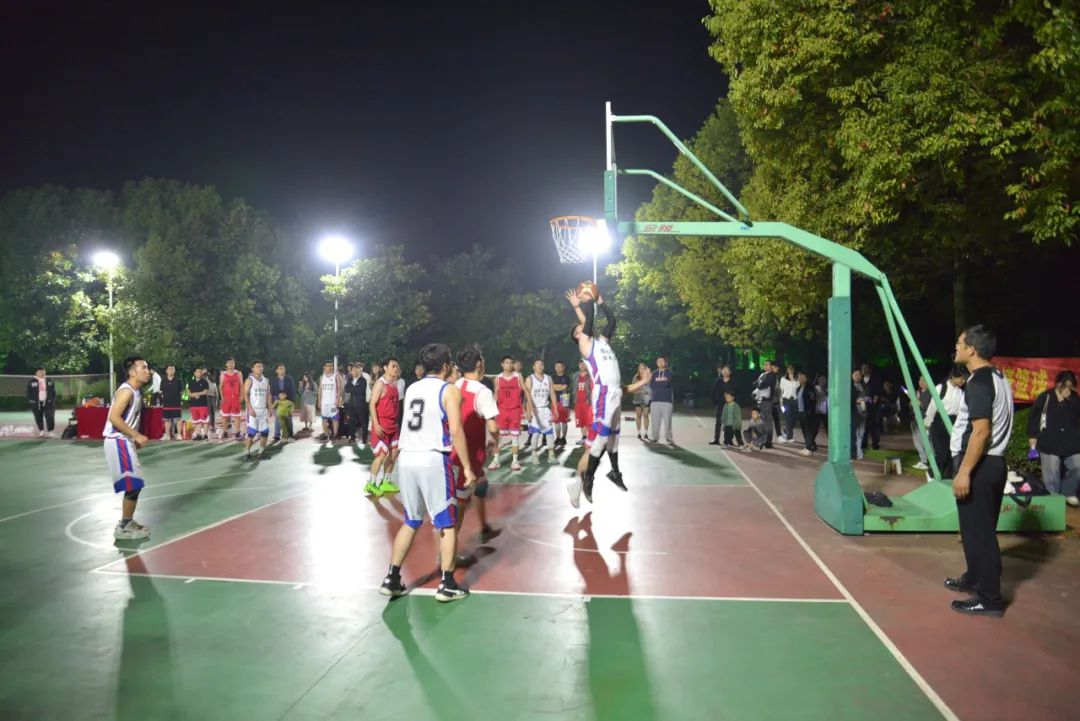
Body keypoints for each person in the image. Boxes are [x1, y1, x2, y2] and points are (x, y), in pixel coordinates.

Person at [380, 343, 475, 603]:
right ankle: (447, 584)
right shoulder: (449, 390)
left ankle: (392, 578)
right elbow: (456, 430)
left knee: (411, 520)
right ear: (446, 366)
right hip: (433, 459)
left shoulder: (412, 388)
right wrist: (467, 467)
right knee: (446, 523)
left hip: (407, 458)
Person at [945, 325, 1014, 617]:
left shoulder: (980, 381)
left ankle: (989, 599)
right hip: (990, 465)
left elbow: (981, 432)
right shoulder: (996, 376)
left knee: (980, 533)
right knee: (974, 530)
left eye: (960, 343)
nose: (956, 347)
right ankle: (974, 578)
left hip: (981, 465)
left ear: (972, 349)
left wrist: (964, 472)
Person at [565, 288, 627, 507]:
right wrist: (586, 301)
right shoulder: (585, 345)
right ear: (577, 336)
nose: (583, 327)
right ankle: (586, 480)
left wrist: (600, 301)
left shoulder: (601, 342)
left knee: (612, 439)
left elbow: (611, 321)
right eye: (579, 329)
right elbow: (588, 321)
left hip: (615, 393)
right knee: (597, 443)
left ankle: (613, 472)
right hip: (603, 394)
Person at [451, 345, 501, 550]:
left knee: (481, 483)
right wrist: (495, 441)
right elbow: (493, 426)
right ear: (479, 364)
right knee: (461, 505)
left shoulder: (456, 385)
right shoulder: (483, 392)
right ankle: (448, 551)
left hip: (453, 449)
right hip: (468, 455)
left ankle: (483, 527)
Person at [104, 356, 153, 539]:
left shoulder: (136, 392)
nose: (148, 371)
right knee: (133, 484)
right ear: (132, 372)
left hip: (124, 441)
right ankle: (124, 527)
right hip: (118, 440)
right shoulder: (127, 391)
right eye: (144, 368)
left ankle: (127, 522)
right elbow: (114, 417)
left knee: (134, 484)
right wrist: (136, 435)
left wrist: (133, 438)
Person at [1027, 370, 1080, 505]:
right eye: (1065, 385)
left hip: (1071, 442)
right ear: (1058, 383)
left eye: (1070, 386)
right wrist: (1032, 436)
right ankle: (1053, 499)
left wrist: (1070, 399)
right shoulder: (1046, 396)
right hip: (1049, 441)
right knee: (1052, 471)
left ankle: (1068, 492)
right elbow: (1034, 417)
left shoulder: (1075, 398)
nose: (1067, 389)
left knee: (1077, 466)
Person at [366, 358, 403, 497]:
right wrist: (375, 424)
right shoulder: (380, 384)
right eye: (393, 366)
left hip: (393, 424)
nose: (396, 368)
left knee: (394, 453)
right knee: (381, 455)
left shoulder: (395, 384)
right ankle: (371, 483)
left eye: (397, 366)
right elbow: (372, 404)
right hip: (382, 424)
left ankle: (386, 481)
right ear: (385, 368)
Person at [925, 366, 968, 480]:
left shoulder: (960, 392)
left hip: (953, 422)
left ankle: (947, 479)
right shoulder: (940, 388)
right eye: (961, 378)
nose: (963, 381)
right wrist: (927, 423)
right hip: (939, 422)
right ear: (953, 376)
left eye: (964, 379)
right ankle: (931, 473)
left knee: (951, 454)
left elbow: (960, 411)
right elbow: (932, 407)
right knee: (942, 453)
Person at [490, 356, 529, 471]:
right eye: (506, 363)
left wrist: (529, 406)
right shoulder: (498, 378)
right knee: (499, 437)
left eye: (511, 363)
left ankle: (515, 461)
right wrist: (491, 408)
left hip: (515, 410)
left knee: (515, 436)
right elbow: (496, 394)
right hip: (501, 411)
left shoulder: (518, 376)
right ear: (502, 364)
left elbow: (526, 391)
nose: (509, 365)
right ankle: (496, 460)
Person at [525, 359, 558, 461]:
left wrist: (555, 408)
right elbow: (527, 397)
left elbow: (552, 394)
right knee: (535, 433)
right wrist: (528, 411)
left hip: (545, 409)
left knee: (550, 432)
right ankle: (534, 454)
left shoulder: (548, 378)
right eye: (537, 364)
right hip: (535, 409)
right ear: (533, 367)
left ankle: (551, 455)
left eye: (542, 364)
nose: (540, 366)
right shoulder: (529, 379)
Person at [243, 360, 272, 460]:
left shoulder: (266, 380)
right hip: (253, 410)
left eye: (261, 366)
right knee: (251, 433)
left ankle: (261, 452)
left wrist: (270, 407)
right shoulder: (249, 380)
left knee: (265, 432)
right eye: (257, 366)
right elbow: (245, 395)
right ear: (252, 369)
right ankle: (247, 453)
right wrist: (250, 408)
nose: (260, 368)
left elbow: (268, 394)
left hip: (263, 410)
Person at [648, 355, 674, 445]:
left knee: (667, 421)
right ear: (656, 363)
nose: (660, 362)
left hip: (667, 400)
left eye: (662, 361)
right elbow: (652, 386)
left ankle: (669, 438)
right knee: (655, 421)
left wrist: (658, 382)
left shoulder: (669, 372)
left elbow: (667, 383)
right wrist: (661, 381)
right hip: (655, 400)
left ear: (665, 363)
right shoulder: (654, 373)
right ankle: (655, 437)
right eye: (658, 361)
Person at [709, 364, 737, 445]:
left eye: (727, 370)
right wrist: (716, 402)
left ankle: (728, 440)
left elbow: (736, 392)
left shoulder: (733, 382)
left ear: (730, 372)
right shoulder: (718, 381)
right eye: (724, 370)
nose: (725, 371)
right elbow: (713, 392)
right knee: (718, 422)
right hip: (720, 405)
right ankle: (716, 439)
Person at [753, 360, 778, 448]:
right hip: (760, 400)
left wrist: (760, 383)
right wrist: (759, 383)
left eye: (767, 364)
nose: (765, 366)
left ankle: (768, 441)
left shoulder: (772, 375)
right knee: (761, 420)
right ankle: (763, 440)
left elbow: (762, 385)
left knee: (767, 421)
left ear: (771, 366)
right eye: (764, 364)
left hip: (767, 401)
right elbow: (755, 384)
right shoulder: (762, 374)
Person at [316, 360, 343, 442]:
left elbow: (340, 388)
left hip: (333, 403)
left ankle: (335, 434)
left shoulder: (336, 376)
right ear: (324, 367)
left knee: (335, 419)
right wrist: (319, 401)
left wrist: (338, 399)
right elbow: (320, 390)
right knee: (324, 418)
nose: (330, 367)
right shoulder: (322, 377)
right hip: (324, 402)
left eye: (331, 365)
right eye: (328, 365)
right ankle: (325, 434)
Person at [910, 377, 933, 471]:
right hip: (915, 419)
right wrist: (912, 403)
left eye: (924, 380)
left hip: (925, 420)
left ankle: (930, 461)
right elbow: (912, 406)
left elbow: (929, 407)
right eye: (920, 380)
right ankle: (923, 460)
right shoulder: (918, 392)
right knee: (917, 441)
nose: (921, 382)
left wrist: (919, 402)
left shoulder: (931, 392)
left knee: (926, 441)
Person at [26, 367, 56, 438]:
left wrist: (52, 399)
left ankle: (50, 431)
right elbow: (28, 392)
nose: (42, 373)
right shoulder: (32, 381)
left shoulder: (49, 380)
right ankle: (41, 431)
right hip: (36, 403)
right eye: (40, 372)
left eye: (43, 372)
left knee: (50, 417)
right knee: (38, 417)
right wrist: (31, 400)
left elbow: (53, 391)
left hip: (48, 402)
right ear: (36, 373)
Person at [218, 357, 244, 440]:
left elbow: (241, 385)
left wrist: (241, 396)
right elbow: (220, 386)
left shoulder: (238, 373)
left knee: (237, 416)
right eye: (229, 363)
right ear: (226, 364)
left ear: (234, 364)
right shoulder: (223, 374)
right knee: (225, 416)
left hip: (236, 397)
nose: (231, 364)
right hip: (226, 397)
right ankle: (225, 432)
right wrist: (222, 397)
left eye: (232, 363)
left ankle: (238, 432)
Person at [344, 362, 369, 448]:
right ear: (351, 372)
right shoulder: (349, 380)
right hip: (351, 405)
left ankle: (364, 438)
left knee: (364, 422)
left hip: (361, 405)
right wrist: (346, 403)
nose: (354, 371)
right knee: (351, 422)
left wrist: (352, 389)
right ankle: (352, 437)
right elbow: (347, 390)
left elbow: (360, 391)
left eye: (356, 370)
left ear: (359, 371)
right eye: (353, 370)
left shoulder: (363, 380)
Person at [270, 364, 296, 443]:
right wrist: (274, 402)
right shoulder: (274, 380)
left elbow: (292, 391)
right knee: (277, 419)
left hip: (287, 403)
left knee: (288, 420)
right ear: (276, 371)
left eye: (283, 369)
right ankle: (277, 435)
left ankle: (290, 435)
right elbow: (272, 392)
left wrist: (292, 402)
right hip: (277, 402)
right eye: (280, 369)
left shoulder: (289, 379)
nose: (282, 370)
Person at [796, 371, 819, 456]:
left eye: (802, 377)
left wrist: (810, 410)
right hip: (800, 411)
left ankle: (809, 448)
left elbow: (813, 400)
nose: (800, 379)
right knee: (804, 431)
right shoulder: (798, 388)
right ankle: (808, 446)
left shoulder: (810, 387)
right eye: (799, 377)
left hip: (808, 412)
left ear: (806, 378)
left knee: (809, 431)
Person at [861, 362, 883, 451]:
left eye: (865, 368)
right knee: (864, 425)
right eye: (862, 368)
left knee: (874, 424)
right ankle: (863, 444)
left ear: (869, 369)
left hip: (873, 406)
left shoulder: (875, 379)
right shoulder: (861, 380)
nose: (864, 370)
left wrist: (876, 396)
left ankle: (875, 444)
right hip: (863, 405)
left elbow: (879, 391)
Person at [551, 360, 572, 450]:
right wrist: (558, 387)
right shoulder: (552, 377)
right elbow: (552, 387)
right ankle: (557, 437)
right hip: (554, 399)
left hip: (564, 399)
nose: (558, 368)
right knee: (556, 420)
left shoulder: (566, 377)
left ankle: (563, 438)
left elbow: (564, 387)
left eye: (560, 366)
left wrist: (556, 386)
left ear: (563, 367)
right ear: (555, 367)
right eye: (557, 366)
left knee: (564, 420)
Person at [159, 364, 184, 440]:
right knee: (167, 420)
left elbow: (182, 392)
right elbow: (161, 391)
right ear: (166, 371)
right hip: (166, 403)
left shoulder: (178, 380)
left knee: (178, 419)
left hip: (176, 403)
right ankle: (167, 435)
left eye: (173, 369)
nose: (171, 370)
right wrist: (164, 398)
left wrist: (177, 398)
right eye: (170, 369)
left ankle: (179, 435)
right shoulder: (163, 380)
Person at [187, 367, 211, 441]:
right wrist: (193, 395)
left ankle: (205, 435)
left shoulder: (205, 382)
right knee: (197, 421)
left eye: (200, 372)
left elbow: (205, 392)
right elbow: (189, 393)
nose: (199, 373)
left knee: (205, 420)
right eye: (197, 372)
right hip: (193, 405)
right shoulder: (190, 382)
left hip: (203, 405)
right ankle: (198, 435)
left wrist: (196, 394)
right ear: (194, 373)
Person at [573, 359, 593, 446]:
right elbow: (574, 388)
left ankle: (591, 438)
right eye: (581, 364)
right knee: (580, 420)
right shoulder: (575, 375)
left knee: (588, 420)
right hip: (578, 402)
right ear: (579, 365)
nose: (582, 366)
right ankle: (584, 437)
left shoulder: (591, 375)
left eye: (584, 364)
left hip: (587, 402)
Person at [779, 363, 799, 443]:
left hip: (794, 400)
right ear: (787, 369)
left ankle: (786, 429)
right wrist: (781, 401)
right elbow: (781, 391)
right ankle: (790, 437)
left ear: (794, 369)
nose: (790, 369)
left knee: (795, 418)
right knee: (788, 417)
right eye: (789, 368)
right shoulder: (783, 379)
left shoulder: (797, 378)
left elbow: (798, 389)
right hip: (786, 400)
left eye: (792, 368)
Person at [632, 363, 652, 440]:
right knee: (638, 416)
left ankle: (646, 433)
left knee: (646, 415)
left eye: (643, 368)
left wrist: (647, 392)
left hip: (646, 399)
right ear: (638, 369)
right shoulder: (635, 377)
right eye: (640, 368)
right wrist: (639, 391)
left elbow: (651, 388)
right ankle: (638, 433)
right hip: (637, 399)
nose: (642, 369)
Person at [851, 369, 868, 460]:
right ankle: (856, 452)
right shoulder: (850, 386)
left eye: (859, 375)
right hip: (854, 412)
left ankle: (858, 452)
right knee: (854, 434)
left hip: (862, 412)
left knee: (861, 433)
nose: (857, 376)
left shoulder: (864, 386)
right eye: (855, 374)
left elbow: (865, 399)